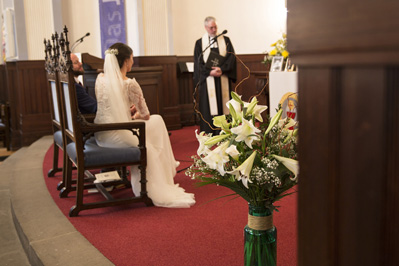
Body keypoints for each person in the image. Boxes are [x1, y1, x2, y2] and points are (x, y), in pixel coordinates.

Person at [94, 43, 195, 208]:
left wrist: (127, 111)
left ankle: (169, 163)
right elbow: (145, 114)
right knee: (155, 121)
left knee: (157, 121)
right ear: (126, 61)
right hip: (120, 135)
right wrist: (134, 114)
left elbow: (108, 106)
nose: (132, 62)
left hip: (101, 134)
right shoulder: (129, 84)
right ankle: (165, 169)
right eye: (132, 59)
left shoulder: (100, 79)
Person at [193, 16, 237, 135]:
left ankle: (226, 132)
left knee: (225, 105)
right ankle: (210, 132)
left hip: (223, 78)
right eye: (211, 27)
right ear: (206, 27)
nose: (214, 30)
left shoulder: (226, 40)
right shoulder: (200, 43)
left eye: (215, 27)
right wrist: (209, 72)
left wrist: (222, 69)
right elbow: (198, 62)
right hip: (208, 81)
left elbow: (231, 57)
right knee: (209, 107)